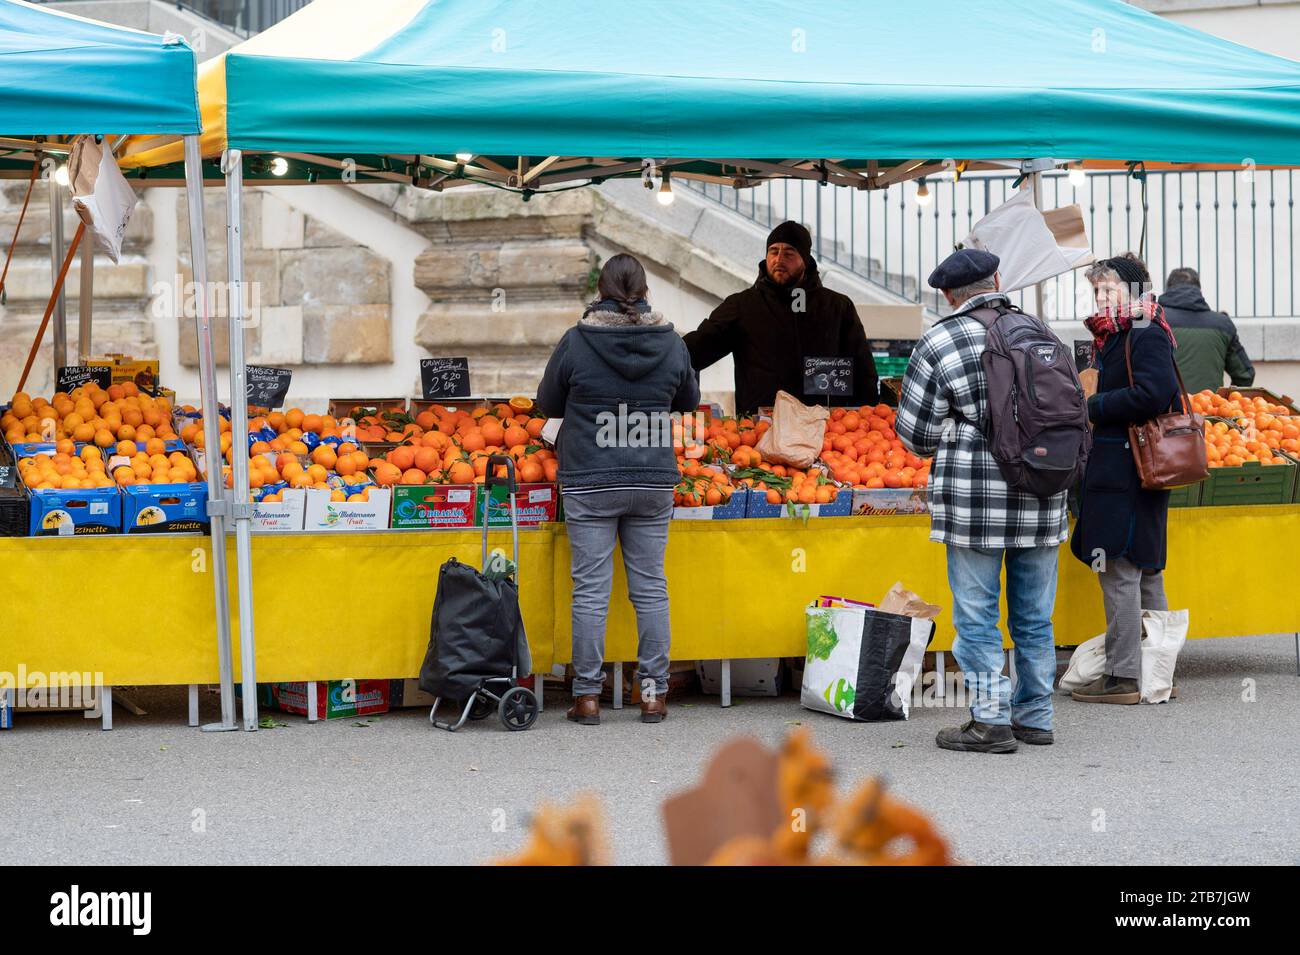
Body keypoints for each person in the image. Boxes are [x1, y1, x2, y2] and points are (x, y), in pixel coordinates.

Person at [895, 248, 1067, 753]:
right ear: (997, 278)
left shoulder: (940, 339)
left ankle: (991, 719)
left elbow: (916, 434)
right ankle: (1035, 716)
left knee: (977, 615)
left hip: (975, 501)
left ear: (949, 294)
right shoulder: (1040, 331)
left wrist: (955, 425)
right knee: (1035, 617)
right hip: (1043, 493)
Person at [537, 254, 700, 726]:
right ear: (646, 292)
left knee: (589, 591)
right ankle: (653, 696)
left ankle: (587, 697)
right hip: (652, 479)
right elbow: (688, 402)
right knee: (650, 589)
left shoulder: (577, 340)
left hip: (590, 478)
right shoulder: (670, 343)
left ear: (601, 289)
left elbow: (547, 402)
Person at [1070, 253, 1180, 705]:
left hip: (1129, 469)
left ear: (1134, 291)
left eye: (1109, 289)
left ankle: (1124, 677)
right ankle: (1157, 672)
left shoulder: (1143, 331)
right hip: (1132, 468)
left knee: (1119, 569)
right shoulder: (1120, 333)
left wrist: (1093, 407)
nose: (1100, 297)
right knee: (1144, 569)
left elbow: (1155, 393)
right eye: (1097, 289)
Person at [683, 221, 879, 413]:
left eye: (789, 253)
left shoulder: (837, 307)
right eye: (773, 251)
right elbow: (698, 348)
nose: (778, 259)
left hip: (826, 434)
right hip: (758, 434)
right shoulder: (742, 306)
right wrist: (662, 347)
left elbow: (864, 376)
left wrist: (863, 423)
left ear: (805, 259)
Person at [1158, 266, 1255, 394]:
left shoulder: (1154, 321)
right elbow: (1245, 375)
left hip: (1164, 411)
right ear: (1199, 291)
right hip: (1210, 411)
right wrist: (1228, 401)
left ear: (1168, 289)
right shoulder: (1222, 324)